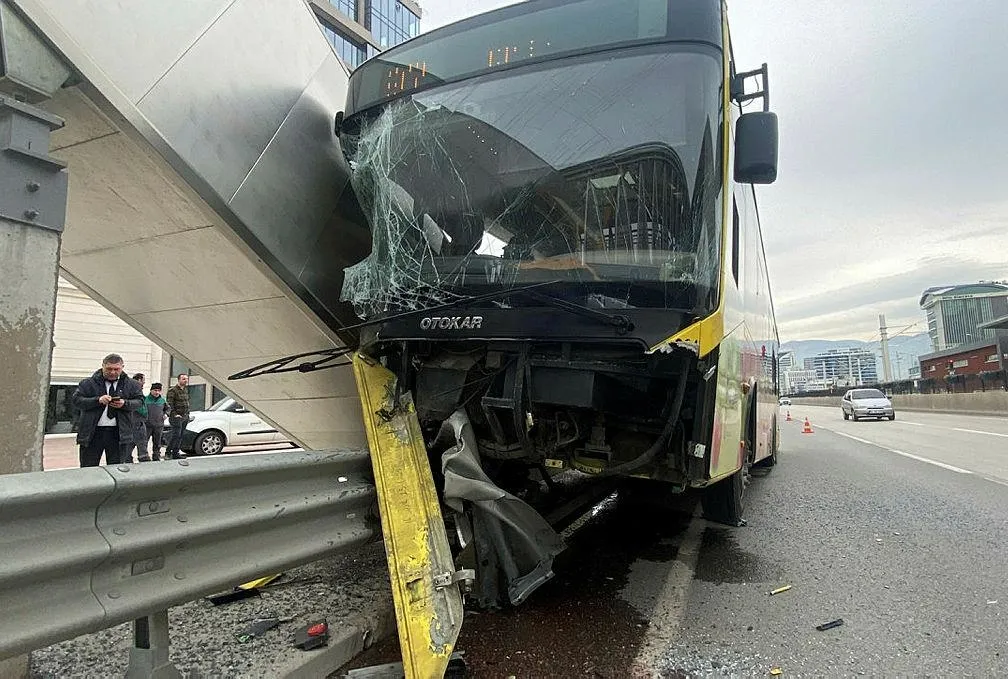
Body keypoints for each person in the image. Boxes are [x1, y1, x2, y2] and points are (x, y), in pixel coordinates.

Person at [71, 354, 144, 467]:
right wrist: (98, 400)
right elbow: (76, 400)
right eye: (109, 369)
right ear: (103, 366)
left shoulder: (132, 384)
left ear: (122, 367)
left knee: (117, 468)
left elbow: (140, 402)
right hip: (92, 433)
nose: (113, 372)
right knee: (88, 468)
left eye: (116, 369)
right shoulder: (88, 383)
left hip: (119, 433)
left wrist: (125, 403)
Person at [140, 382, 170, 461]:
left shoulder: (162, 400)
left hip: (159, 425)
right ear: (151, 390)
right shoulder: (145, 400)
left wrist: (166, 414)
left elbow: (168, 409)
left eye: (159, 391)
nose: (157, 392)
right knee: (144, 441)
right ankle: (144, 456)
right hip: (147, 425)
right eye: (155, 390)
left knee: (157, 442)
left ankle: (156, 456)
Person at [165, 373, 190, 460]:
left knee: (181, 435)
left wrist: (187, 414)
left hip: (185, 416)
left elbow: (186, 402)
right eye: (183, 379)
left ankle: (176, 453)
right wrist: (174, 414)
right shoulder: (173, 390)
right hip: (176, 417)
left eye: (186, 379)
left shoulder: (185, 390)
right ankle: (168, 452)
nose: (185, 380)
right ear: (178, 380)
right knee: (176, 435)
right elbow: (169, 404)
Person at [127, 373, 147, 463]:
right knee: (141, 443)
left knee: (130, 443)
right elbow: (140, 407)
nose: (144, 382)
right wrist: (145, 414)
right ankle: (143, 460)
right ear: (139, 380)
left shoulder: (131, 389)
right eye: (143, 380)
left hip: (135, 421)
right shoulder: (135, 391)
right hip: (136, 421)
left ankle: (127, 460)